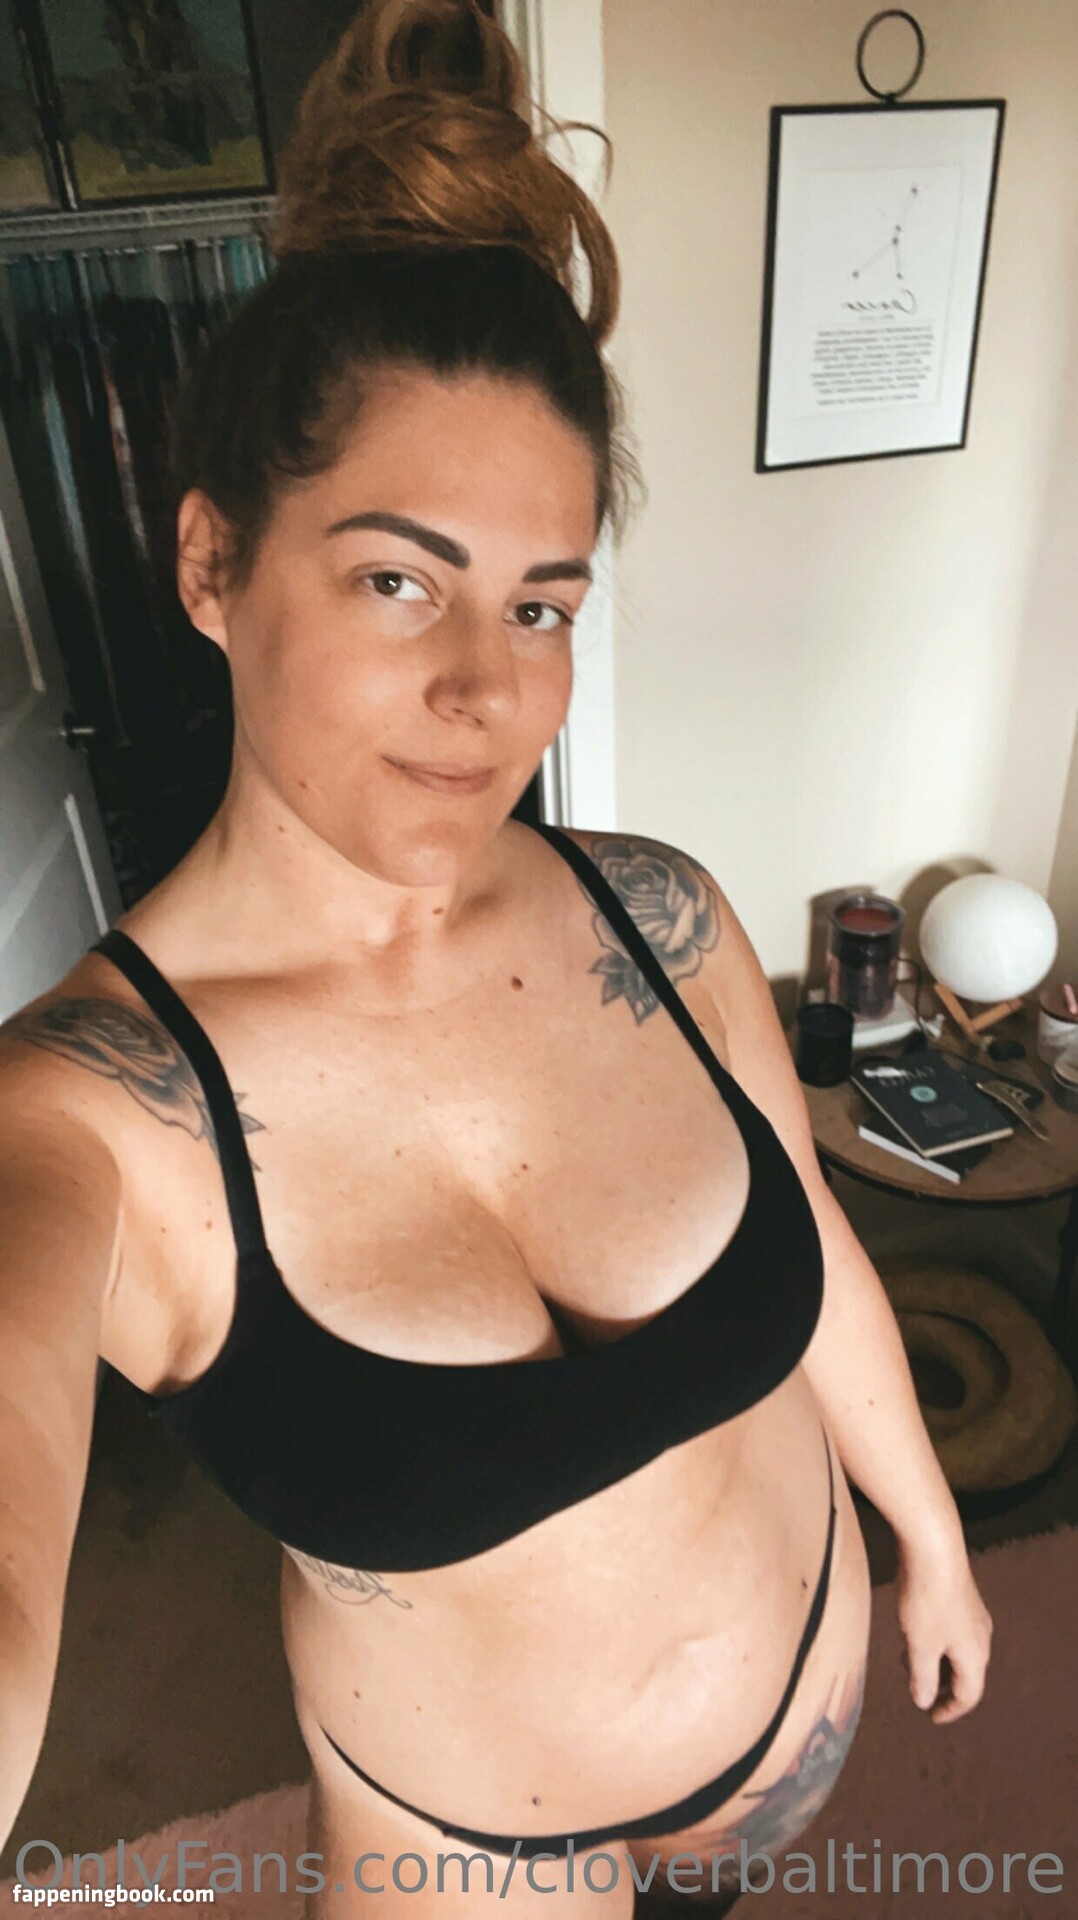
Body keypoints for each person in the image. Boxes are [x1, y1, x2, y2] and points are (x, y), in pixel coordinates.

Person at [0, 2, 992, 1912]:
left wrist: (930, 1538)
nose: (484, 688)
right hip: (472, 1852)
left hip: (804, 1694)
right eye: (396, 580)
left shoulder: (663, 918)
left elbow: (810, 1232)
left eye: (540, 606)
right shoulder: (83, 1118)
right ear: (211, 565)